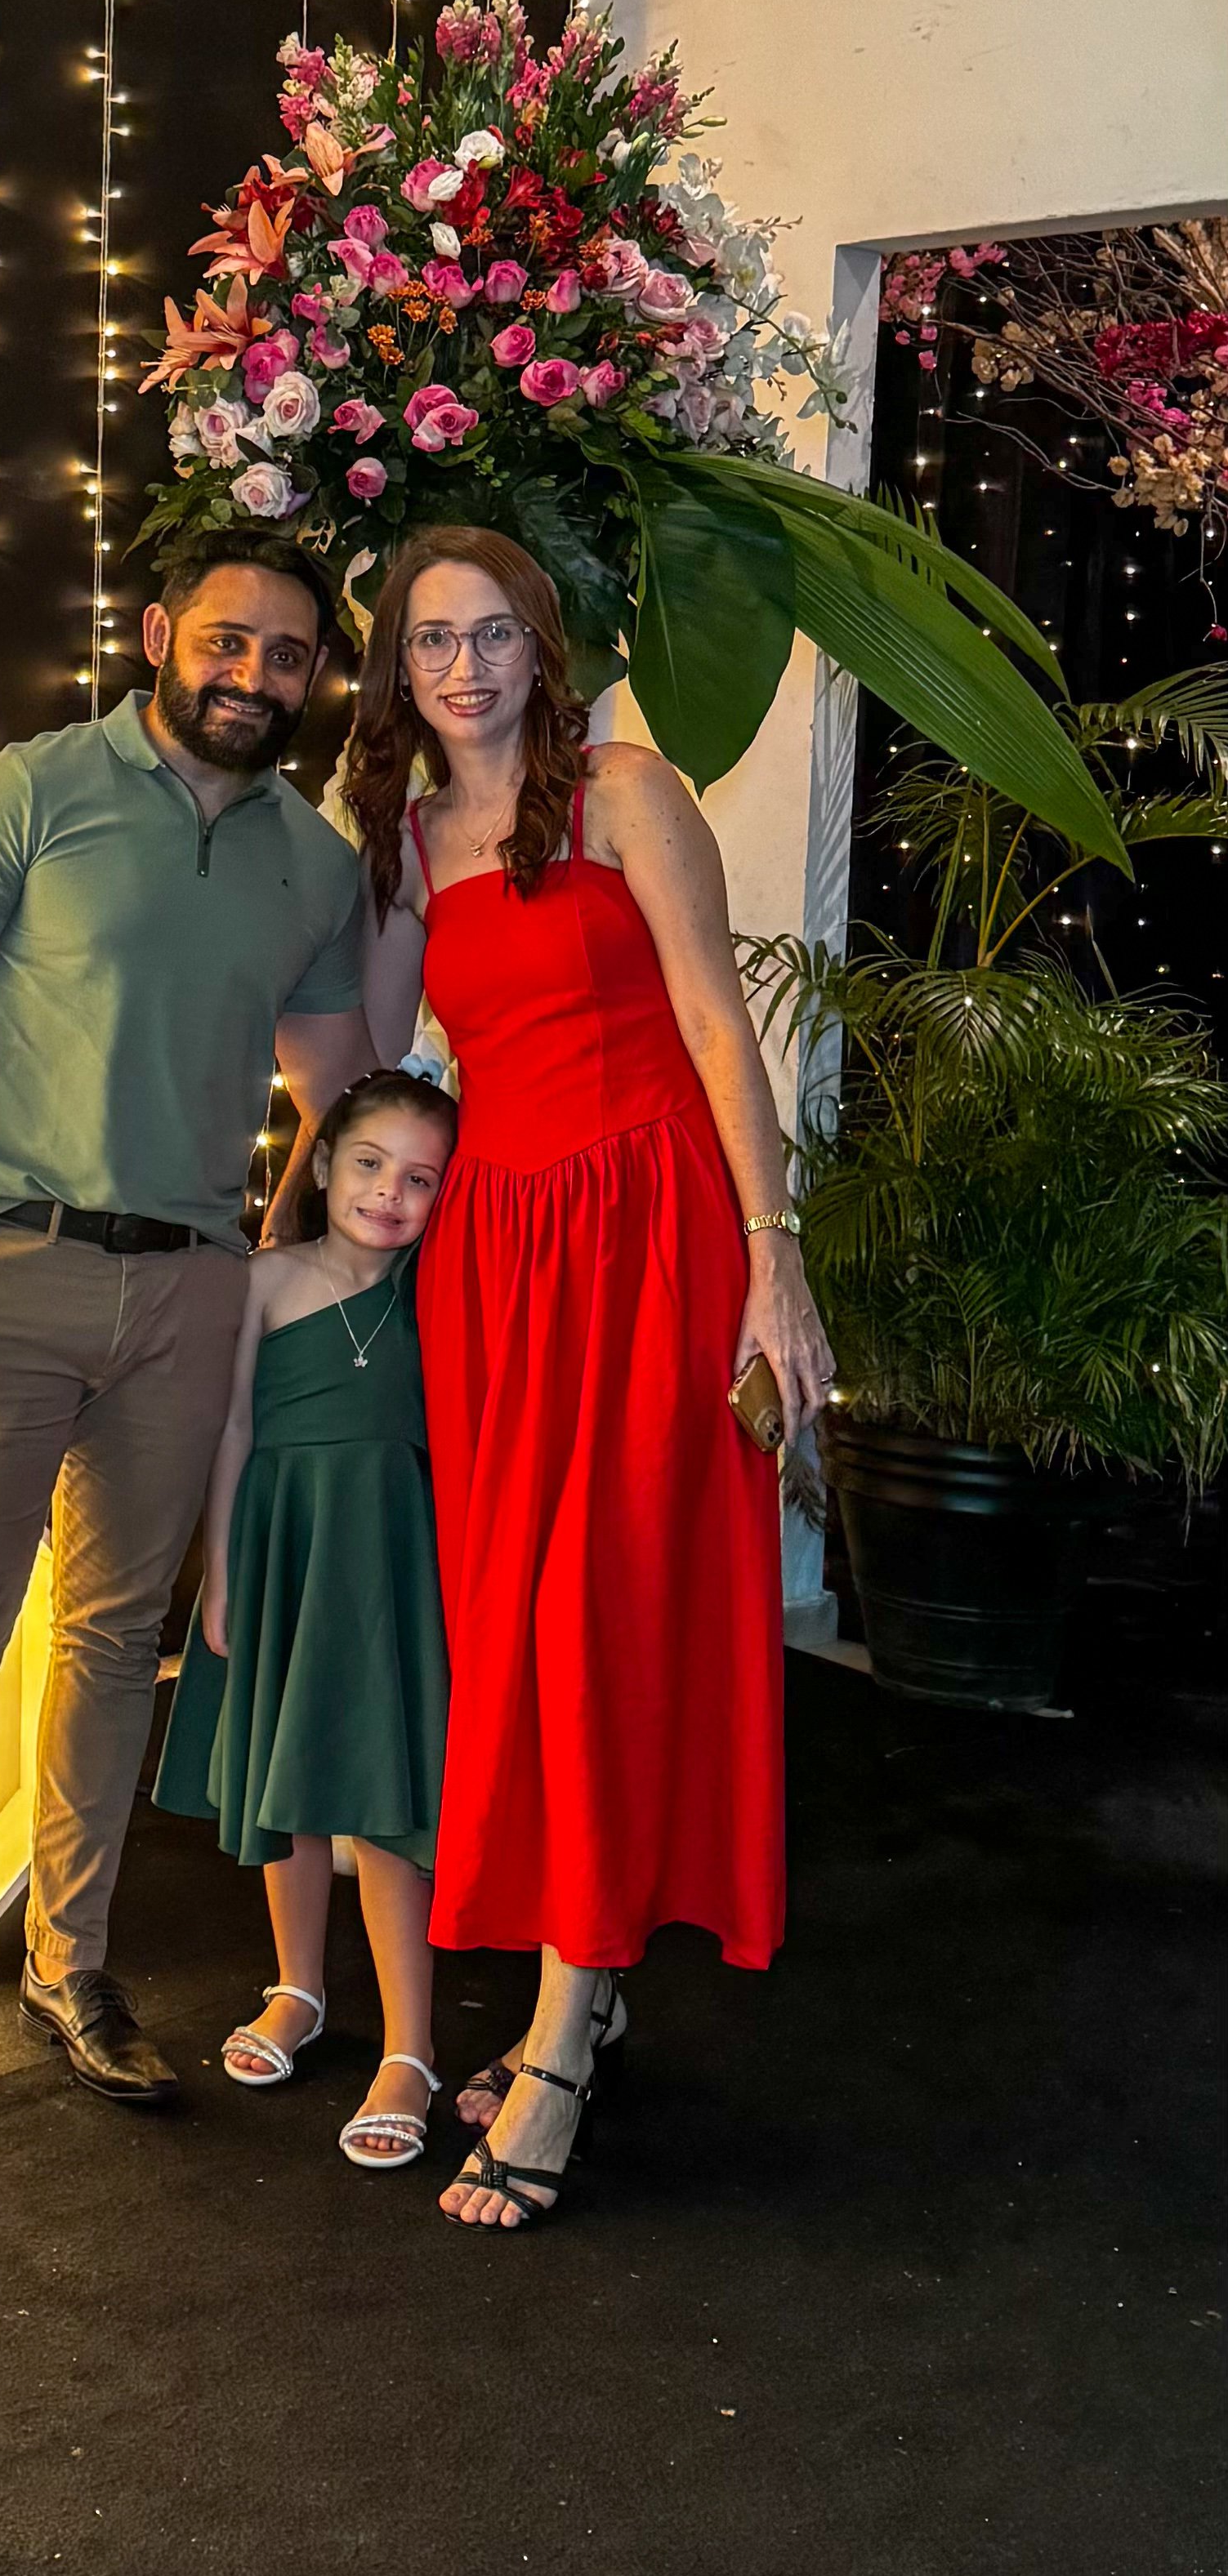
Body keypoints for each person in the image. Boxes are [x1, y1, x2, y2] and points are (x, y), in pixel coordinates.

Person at [275, 522, 836, 2232]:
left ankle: (561, 2037)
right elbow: (363, 1062)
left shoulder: (624, 794)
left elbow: (717, 1026)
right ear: (397, 670)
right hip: (495, 1260)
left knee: (601, 1612)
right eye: (430, 641)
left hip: (649, 1236)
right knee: (515, 1624)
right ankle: (581, 1975)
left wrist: (772, 1256)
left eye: (491, 634)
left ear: (540, 646)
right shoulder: (397, 841)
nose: (463, 667)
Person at [0, 542, 373, 2168]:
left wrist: (264, 1254)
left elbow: (336, 1090)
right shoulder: (31, 791)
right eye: (225, 640)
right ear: (156, 637)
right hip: (6, 1268)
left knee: (111, 1641)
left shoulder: (310, 862)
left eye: (286, 655)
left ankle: (68, 1970)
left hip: (188, 1292)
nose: (252, 675)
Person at [154, 1067, 457, 2172]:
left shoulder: (440, 1290)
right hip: (282, 1547)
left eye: (419, 1178)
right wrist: (223, 1576)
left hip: (388, 1560)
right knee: (287, 1781)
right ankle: (299, 1989)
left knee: (381, 1795)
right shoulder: (264, 1279)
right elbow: (231, 1429)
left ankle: (411, 2049)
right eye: (369, 1164)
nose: (389, 1194)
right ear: (323, 1163)